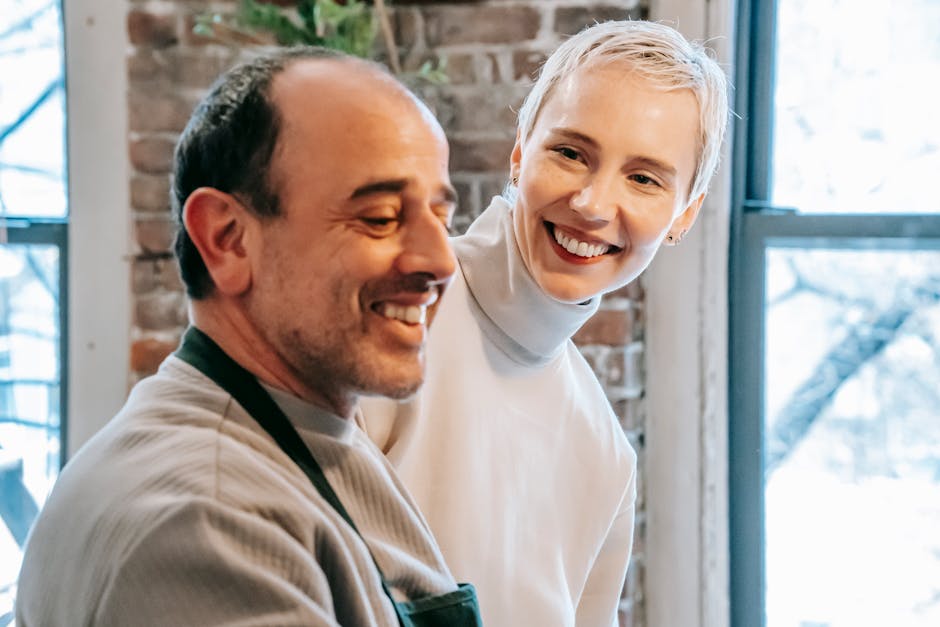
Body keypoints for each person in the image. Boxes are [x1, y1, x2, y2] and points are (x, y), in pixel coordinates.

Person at [16, 47, 484, 626]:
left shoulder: (314, 431)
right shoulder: (206, 523)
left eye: (440, 216)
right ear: (228, 239)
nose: (440, 260)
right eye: (381, 217)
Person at [359, 20, 730, 626]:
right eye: (570, 153)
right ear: (519, 152)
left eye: (643, 178)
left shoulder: (606, 457)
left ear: (683, 215)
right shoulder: (384, 308)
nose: (590, 203)